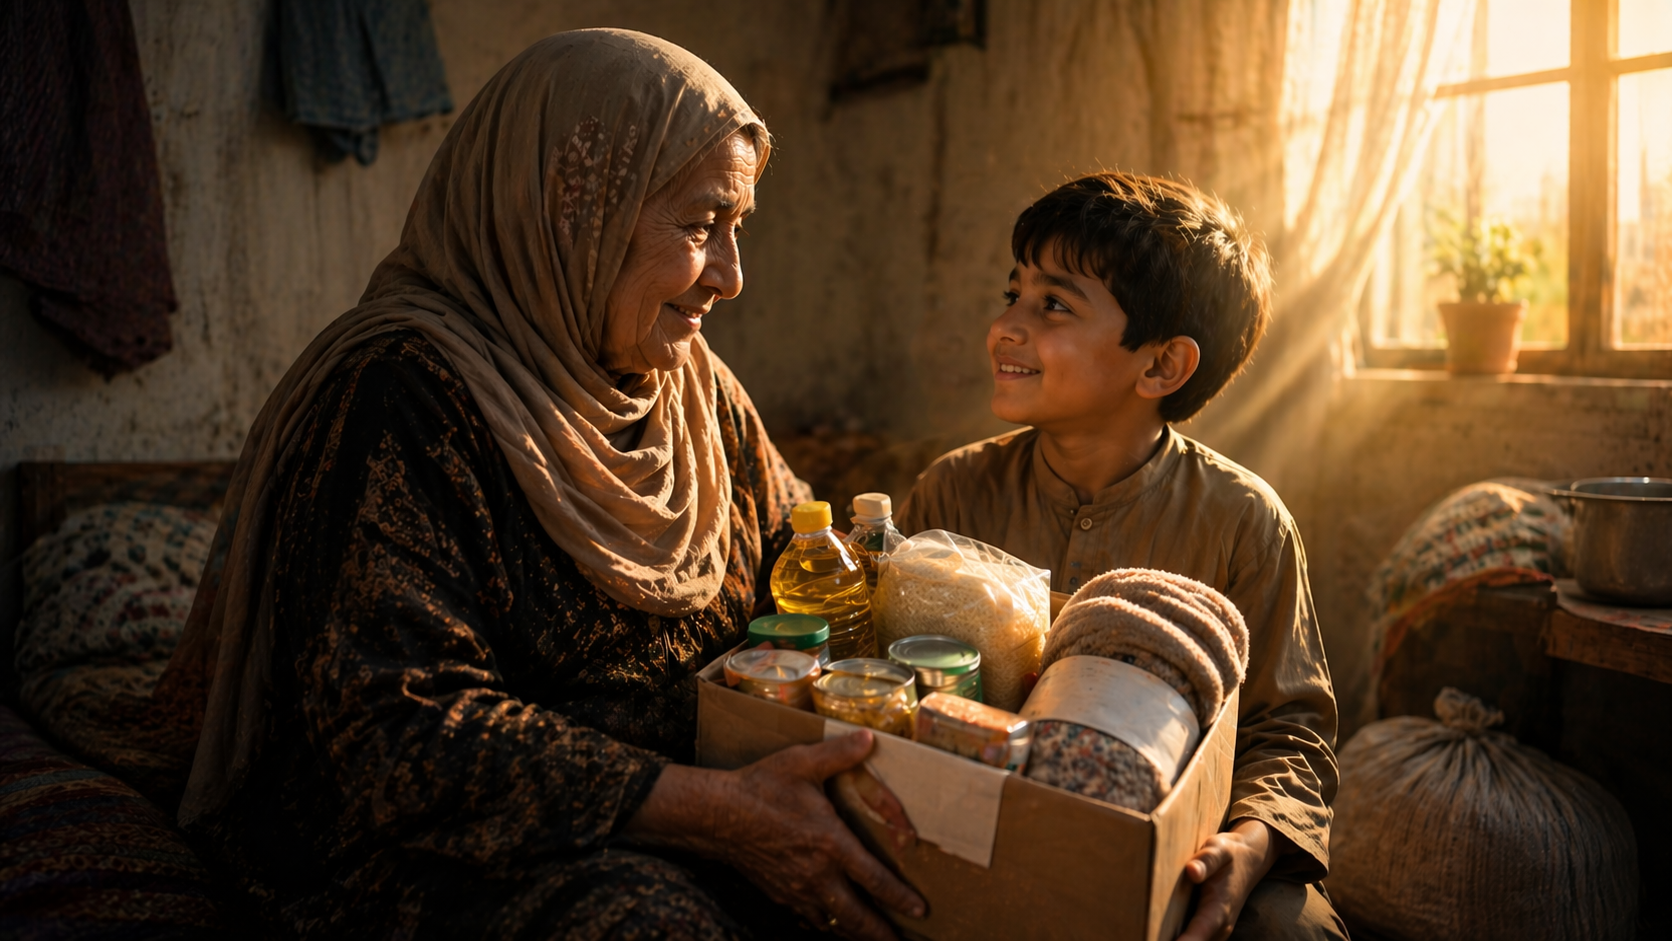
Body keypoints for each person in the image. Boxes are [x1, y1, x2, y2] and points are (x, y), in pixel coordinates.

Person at [157, 29, 922, 940]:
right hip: (449, 851)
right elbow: (398, 732)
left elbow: (801, 559)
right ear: (574, 210)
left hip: (707, 809)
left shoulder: (694, 392)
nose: (730, 276)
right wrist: (723, 812)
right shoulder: (401, 393)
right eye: (698, 225)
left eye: (737, 227)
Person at [896, 173, 1349, 940]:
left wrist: (1248, 843)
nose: (1006, 327)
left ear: (1161, 367)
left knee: (1294, 931)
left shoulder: (1244, 522)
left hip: (1176, 841)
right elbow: (886, 672)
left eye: (1053, 306)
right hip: (977, 813)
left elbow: (1288, 729)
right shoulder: (954, 492)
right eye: (1013, 294)